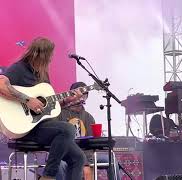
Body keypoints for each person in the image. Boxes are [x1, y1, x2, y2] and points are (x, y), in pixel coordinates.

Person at [0, 37, 85, 180]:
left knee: (79, 158)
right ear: (40, 55)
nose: (50, 61)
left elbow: (48, 107)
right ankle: (48, 176)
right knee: (68, 129)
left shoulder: (42, 74)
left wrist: (66, 101)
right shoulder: (19, 68)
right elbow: (1, 85)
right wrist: (27, 100)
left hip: (42, 126)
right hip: (24, 129)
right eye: (49, 57)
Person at [56, 81, 109, 180]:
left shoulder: (89, 117)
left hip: (86, 155)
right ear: (71, 95)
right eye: (77, 93)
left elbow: (91, 145)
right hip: (65, 155)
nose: (80, 96)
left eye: (84, 94)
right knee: (59, 165)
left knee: (110, 159)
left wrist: (85, 162)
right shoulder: (59, 114)